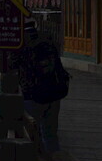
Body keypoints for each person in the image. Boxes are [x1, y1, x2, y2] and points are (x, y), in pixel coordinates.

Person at [17, 20, 70, 152]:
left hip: (31, 94)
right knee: (50, 134)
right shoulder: (47, 40)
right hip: (54, 92)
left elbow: (13, 66)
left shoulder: (21, 43)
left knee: (32, 133)